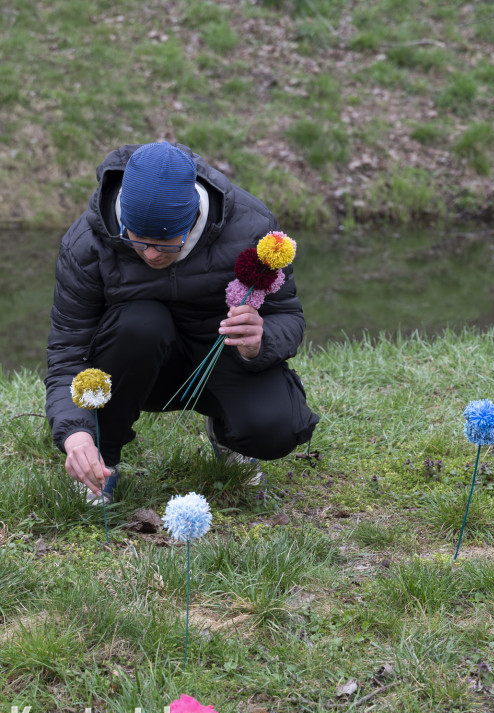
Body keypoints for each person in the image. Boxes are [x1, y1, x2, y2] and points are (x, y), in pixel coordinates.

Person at [45, 141, 319, 503]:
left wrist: (259, 340)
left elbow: (288, 314)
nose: (151, 254)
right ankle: (102, 459)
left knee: (276, 428)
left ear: (192, 218)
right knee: (141, 321)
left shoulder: (251, 226)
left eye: (165, 244)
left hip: (221, 356)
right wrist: (76, 433)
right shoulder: (87, 243)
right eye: (138, 241)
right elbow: (68, 350)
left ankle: (229, 435)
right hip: (137, 363)